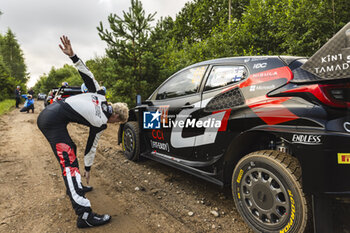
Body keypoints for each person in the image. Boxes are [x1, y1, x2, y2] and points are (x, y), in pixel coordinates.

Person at [37, 35, 129, 228]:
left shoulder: (100, 94)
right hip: (51, 120)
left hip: (53, 114)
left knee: (70, 148)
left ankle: (76, 188)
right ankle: (84, 215)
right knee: (69, 164)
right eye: (116, 123)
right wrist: (87, 168)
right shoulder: (102, 121)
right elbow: (91, 146)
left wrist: (73, 56)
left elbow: (87, 73)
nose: (112, 124)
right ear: (116, 118)